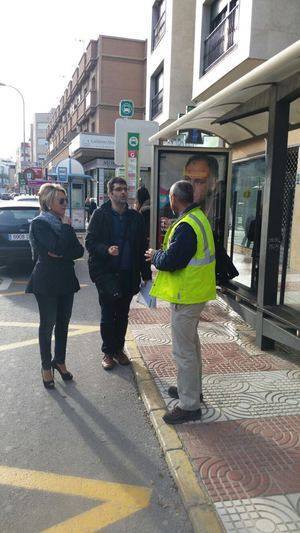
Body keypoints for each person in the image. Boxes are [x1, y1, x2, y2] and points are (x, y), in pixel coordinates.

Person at [145, 180, 216, 424]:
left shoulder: (187, 225)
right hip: (196, 293)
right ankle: (192, 391)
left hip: (187, 296)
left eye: (170, 198)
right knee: (192, 347)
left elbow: (172, 260)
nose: (169, 202)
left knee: (183, 351)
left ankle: (189, 406)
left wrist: (155, 255)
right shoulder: (197, 217)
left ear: (175, 199)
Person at [85, 177, 151, 371]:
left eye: (125, 189)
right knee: (107, 315)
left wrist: (146, 274)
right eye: (118, 189)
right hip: (106, 274)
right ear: (110, 194)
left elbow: (141, 248)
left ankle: (119, 350)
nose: (123, 192)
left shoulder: (135, 218)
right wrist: (106, 250)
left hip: (128, 273)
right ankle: (107, 352)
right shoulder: (100, 214)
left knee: (122, 315)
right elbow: (90, 242)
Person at [26, 183, 84, 389]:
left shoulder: (62, 224)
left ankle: (59, 361)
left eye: (66, 200)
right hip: (47, 281)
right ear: (49, 202)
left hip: (66, 280)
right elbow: (57, 248)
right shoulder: (40, 224)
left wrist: (62, 249)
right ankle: (45, 367)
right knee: (48, 324)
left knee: (63, 323)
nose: (65, 204)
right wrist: (66, 235)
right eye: (61, 201)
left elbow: (79, 252)